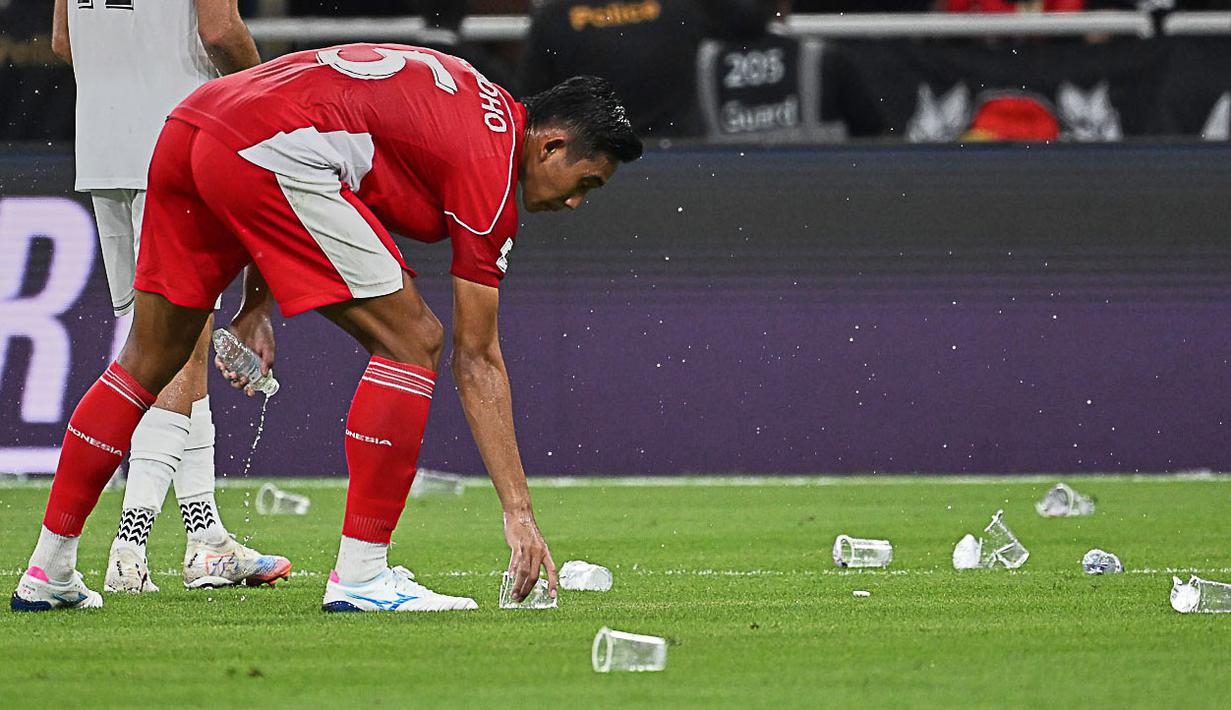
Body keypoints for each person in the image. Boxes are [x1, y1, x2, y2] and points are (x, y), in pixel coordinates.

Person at [11, 43, 642, 612]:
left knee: (147, 357)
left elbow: (322, 139)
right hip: (267, 149)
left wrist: (256, 303)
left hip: (194, 124)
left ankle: (50, 568)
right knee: (414, 340)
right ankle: (363, 575)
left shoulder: (469, 93)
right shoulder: (492, 170)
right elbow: (477, 361)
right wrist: (520, 514)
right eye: (585, 182)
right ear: (551, 145)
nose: (576, 201)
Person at [46, 0, 290, 596]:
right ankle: (131, 544)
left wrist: (121, 86)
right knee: (171, 347)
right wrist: (260, 98)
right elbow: (221, 30)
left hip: (102, 146)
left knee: (169, 348)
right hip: (179, 141)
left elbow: (62, 40)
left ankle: (206, 541)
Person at [519, 0, 710, 138]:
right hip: (678, 152)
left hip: (593, 159)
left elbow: (532, 103)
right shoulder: (554, 17)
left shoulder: (554, 17)